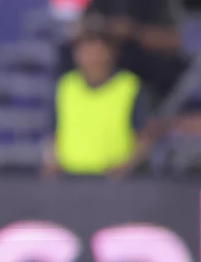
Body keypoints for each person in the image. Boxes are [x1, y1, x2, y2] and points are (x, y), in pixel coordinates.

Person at [44, 33, 158, 177]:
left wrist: (127, 166)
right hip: (69, 178)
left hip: (116, 180)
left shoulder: (130, 86)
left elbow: (145, 136)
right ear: (76, 55)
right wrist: (51, 162)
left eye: (98, 52)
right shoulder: (65, 86)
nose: (93, 58)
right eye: (87, 51)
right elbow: (53, 133)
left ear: (111, 53)